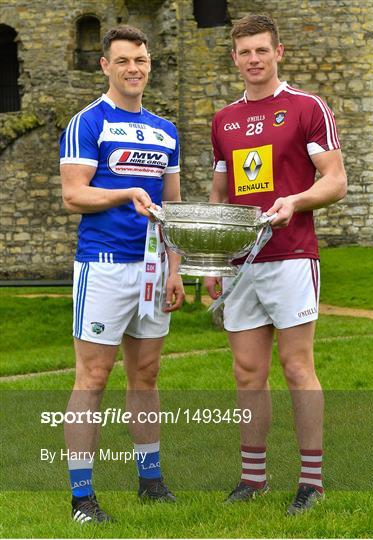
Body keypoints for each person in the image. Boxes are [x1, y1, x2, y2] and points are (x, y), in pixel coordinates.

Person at [205, 14, 347, 515]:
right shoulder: (223, 120)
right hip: (242, 262)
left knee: (296, 366)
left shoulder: (307, 108)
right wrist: (213, 261)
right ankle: (253, 479)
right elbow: (220, 195)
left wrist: (295, 201)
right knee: (246, 373)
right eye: (244, 52)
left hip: (291, 256)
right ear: (235, 58)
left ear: (278, 52)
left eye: (261, 50)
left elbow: (335, 180)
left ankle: (311, 482)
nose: (253, 59)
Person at [60, 25, 185, 523]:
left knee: (147, 375)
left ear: (149, 64)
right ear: (105, 66)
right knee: (92, 377)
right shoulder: (87, 122)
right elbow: (74, 195)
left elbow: (172, 207)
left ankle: (150, 481)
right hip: (104, 265)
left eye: (141, 60)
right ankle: (82, 499)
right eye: (124, 60)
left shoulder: (165, 130)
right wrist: (122, 194)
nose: (134, 68)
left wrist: (176, 268)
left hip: (153, 268)